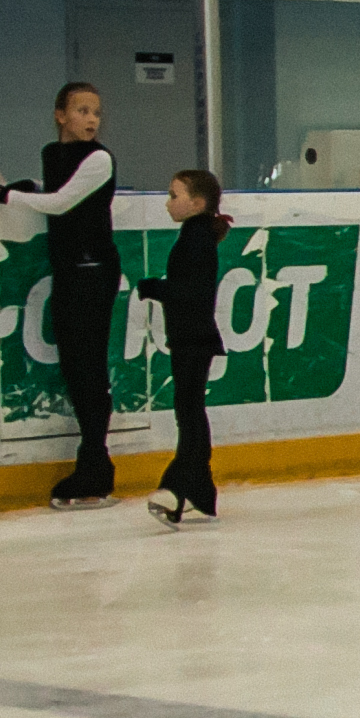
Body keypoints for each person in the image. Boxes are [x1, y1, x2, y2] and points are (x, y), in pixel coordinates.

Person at [0, 81, 122, 507]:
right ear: (60, 115)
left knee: (87, 366)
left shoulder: (100, 158)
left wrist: (11, 195)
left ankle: (95, 467)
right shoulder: (54, 153)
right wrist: (33, 184)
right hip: (70, 270)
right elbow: (57, 185)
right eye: (81, 110)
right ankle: (94, 464)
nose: (91, 119)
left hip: (94, 270)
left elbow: (64, 203)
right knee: (75, 367)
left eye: (95, 112)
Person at [139, 169, 224, 525]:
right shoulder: (194, 234)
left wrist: (156, 288)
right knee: (188, 411)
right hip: (190, 338)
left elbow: (194, 293)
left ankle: (177, 486)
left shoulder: (198, 239)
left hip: (194, 338)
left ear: (197, 203)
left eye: (175, 195)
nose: (168, 202)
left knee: (189, 414)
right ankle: (201, 493)